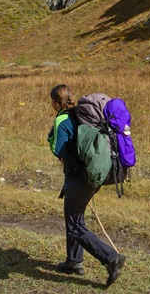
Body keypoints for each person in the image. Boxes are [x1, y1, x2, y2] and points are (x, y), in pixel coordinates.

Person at [47, 84, 126, 287]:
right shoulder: (82, 114)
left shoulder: (63, 118)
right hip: (92, 174)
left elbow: (58, 149)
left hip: (77, 178)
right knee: (74, 217)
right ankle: (74, 261)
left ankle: (111, 258)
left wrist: (51, 137)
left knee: (75, 225)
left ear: (55, 102)